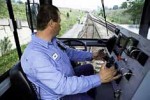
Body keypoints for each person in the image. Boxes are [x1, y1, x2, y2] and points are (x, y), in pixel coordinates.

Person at [21, 5, 120, 100]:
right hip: (59, 95)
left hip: (67, 77)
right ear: (51, 23)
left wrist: (92, 55)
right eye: (59, 22)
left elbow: (70, 52)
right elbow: (62, 86)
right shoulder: (35, 55)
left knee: (88, 68)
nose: (60, 25)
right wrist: (99, 78)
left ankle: (88, 93)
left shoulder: (53, 41)